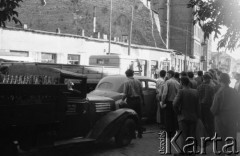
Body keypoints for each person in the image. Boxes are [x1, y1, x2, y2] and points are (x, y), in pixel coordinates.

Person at [211, 73, 240, 154]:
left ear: (220, 81)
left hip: (221, 118)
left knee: (220, 139)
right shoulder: (234, 91)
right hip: (232, 118)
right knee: (231, 138)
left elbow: (214, 109)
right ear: (229, 81)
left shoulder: (219, 92)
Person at [173, 76, 200, 155]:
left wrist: (178, 112)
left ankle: (184, 152)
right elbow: (198, 105)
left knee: (184, 135)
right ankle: (192, 151)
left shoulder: (181, 91)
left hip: (183, 117)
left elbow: (175, 104)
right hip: (193, 117)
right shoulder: (196, 91)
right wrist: (198, 116)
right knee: (192, 135)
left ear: (181, 83)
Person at [121, 69, 144, 138]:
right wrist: (143, 101)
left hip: (131, 101)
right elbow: (141, 93)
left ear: (126, 75)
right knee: (139, 117)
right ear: (133, 74)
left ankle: (133, 134)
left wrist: (122, 100)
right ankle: (140, 133)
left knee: (132, 117)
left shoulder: (126, 82)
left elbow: (125, 93)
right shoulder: (138, 81)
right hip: (138, 100)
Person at [161, 70, 180, 137]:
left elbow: (164, 93)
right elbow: (179, 93)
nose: (167, 75)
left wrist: (162, 102)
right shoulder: (177, 83)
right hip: (175, 102)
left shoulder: (168, 82)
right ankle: (174, 132)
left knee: (168, 118)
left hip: (169, 102)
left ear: (170, 75)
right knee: (174, 118)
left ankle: (168, 133)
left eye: (168, 74)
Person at [197, 73, 215, 137]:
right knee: (210, 121)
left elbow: (197, 97)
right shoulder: (211, 87)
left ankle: (204, 135)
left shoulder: (199, 87)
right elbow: (213, 98)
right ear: (208, 79)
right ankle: (211, 135)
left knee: (203, 121)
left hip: (201, 105)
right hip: (208, 106)